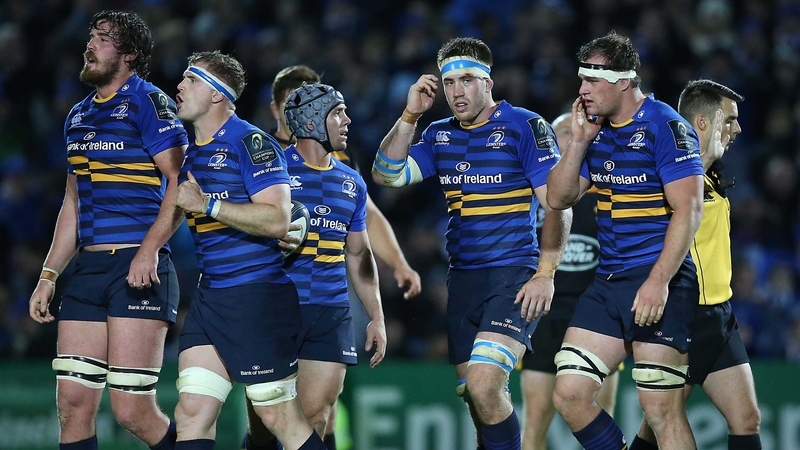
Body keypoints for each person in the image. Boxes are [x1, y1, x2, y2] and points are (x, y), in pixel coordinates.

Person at [372, 37, 571, 450]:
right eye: (448, 82)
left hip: (513, 276)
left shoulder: (525, 126)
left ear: (488, 82)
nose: (456, 91)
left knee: (483, 386)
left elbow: (557, 206)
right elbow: (387, 175)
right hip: (463, 282)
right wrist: (410, 114)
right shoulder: (440, 135)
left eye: (466, 79)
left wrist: (545, 274)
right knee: (478, 403)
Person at [28, 10, 187, 450]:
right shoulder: (77, 116)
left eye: (102, 38)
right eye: (90, 37)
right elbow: (73, 203)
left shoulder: (148, 101)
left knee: (132, 411)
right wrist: (48, 275)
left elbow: (181, 183)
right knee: (73, 402)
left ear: (130, 55)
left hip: (137, 269)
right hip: (90, 270)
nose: (90, 45)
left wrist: (148, 250)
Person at [242, 65, 420, 450]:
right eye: (338, 112)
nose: (348, 120)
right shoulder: (272, 169)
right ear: (311, 120)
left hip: (329, 310)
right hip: (276, 307)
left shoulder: (350, 181)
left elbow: (359, 253)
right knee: (265, 425)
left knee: (318, 416)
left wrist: (377, 317)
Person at [546, 31, 705, 450]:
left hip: (657, 278)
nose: (581, 90)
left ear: (622, 81)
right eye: (581, 80)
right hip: (608, 282)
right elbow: (558, 197)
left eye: (592, 81)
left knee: (661, 412)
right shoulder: (595, 132)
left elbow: (689, 211)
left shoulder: (666, 126)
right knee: (569, 394)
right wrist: (578, 141)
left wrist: (658, 281)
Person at [171, 51, 325, 450]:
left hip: (256, 296)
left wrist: (207, 205)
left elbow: (278, 220)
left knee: (277, 416)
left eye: (192, 80)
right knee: (191, 412)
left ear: (219, 96)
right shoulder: (191, 153)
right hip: (210, 298)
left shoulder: (251, 141)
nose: (180, 86)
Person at [628, 82, 759, 450]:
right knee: (658, 425)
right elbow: (671, 216)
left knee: (746, 421)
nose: (738, 129)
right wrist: (700, 162)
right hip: (682, 315)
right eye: (729, 120)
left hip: (718, 314)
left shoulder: (711, 170)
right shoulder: (666, 166)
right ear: (703, 122)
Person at [520, 112, 620, 450]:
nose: (567, 135)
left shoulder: (607, 191)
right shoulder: (533, 193)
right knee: (536, 417)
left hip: (597, 316)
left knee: (599, 413)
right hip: (543, 317)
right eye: (561, 131)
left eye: (571, 130)